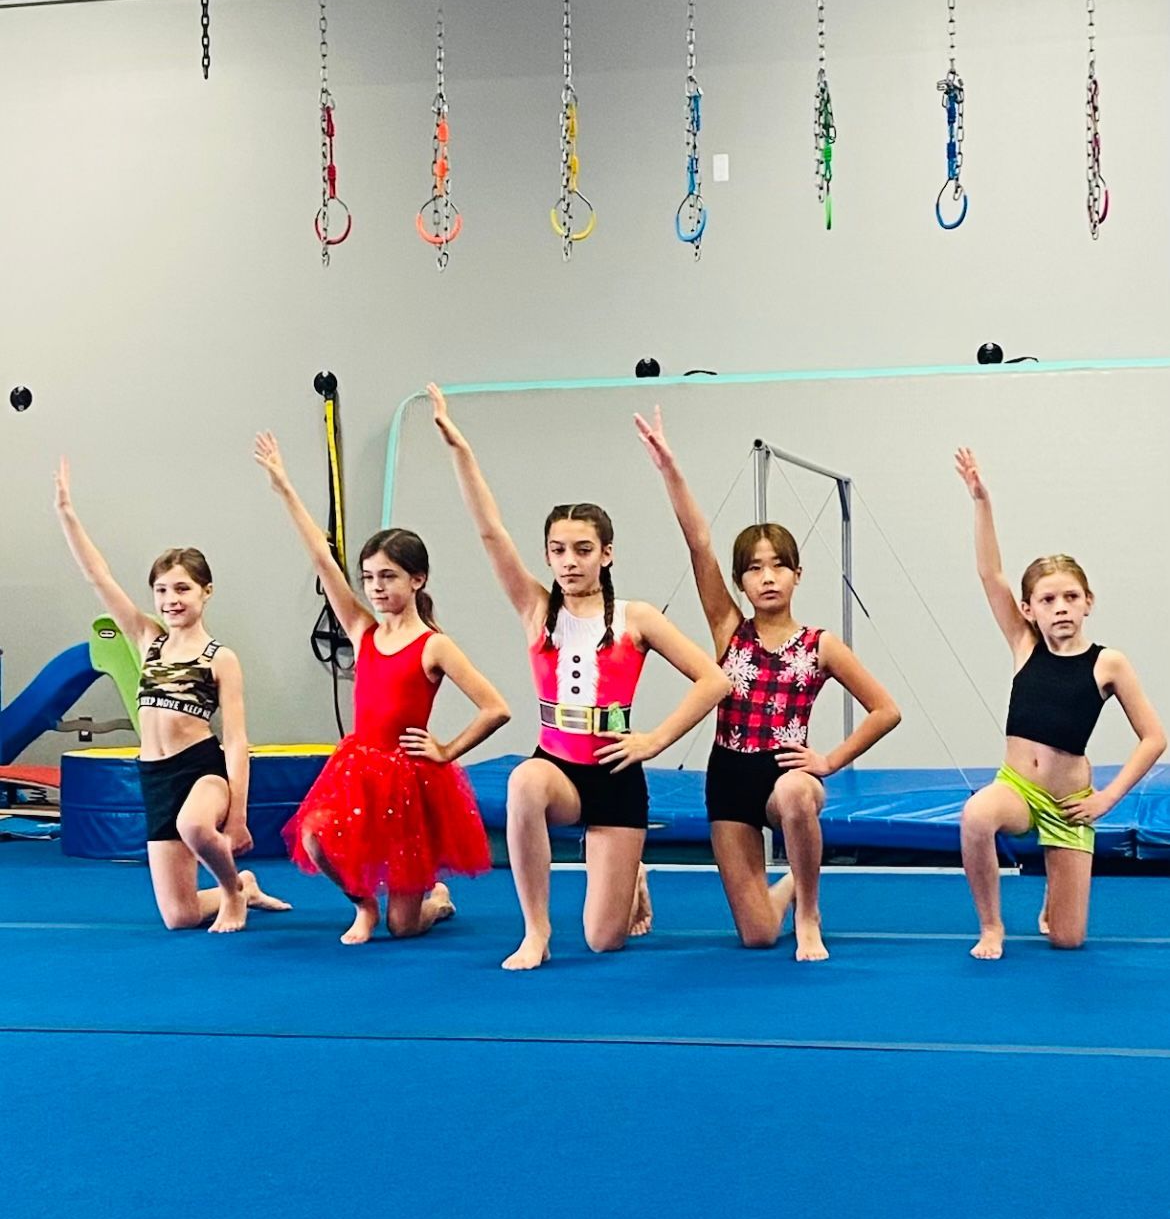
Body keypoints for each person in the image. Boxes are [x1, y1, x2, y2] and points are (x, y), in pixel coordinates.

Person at [429, 384, 731, 970]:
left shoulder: (636, 618)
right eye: (559, 550)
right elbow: (491, 533)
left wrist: (653, 741)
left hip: (617, 774)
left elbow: (714, 680)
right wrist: (461, 451)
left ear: (606, 554)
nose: (569, 561)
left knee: (603, 940)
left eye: (583, 550)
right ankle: (536, 930)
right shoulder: (537, 611)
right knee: (523, 784)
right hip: (559, 766)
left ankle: (632, 877)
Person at [636, 407, 901, 961]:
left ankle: (808, 912)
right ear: (741, 582)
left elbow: (885, 709)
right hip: (729, 773)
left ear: (797, 575)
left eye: (779, 566)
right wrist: (670, 470)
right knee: (757, 936)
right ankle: (784, 892)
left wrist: (829, 760)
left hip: (786, 771)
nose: (768, 576)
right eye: (755, 569)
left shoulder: (821, 645)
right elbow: (698, 546)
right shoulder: (728, 629)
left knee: (799, 796)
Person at [255, 432, 509, 944]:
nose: (376, 587)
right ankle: (363, 905)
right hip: (358, 766)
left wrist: (446, 750)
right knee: (314, 836)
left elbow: (495, 707)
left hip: (408, 776)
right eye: (369, 577)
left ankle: (433, 901)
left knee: (406, 927)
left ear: (417, 580)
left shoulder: (434, 646)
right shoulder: (363, 630)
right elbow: (324, 563)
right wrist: (284, 487)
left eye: (388, 577)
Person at [53, 458, 289, 932]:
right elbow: (100, 578)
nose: (170, 599)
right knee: (179, 916)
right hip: (155, 776)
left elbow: (237, 739)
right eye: (161, 590)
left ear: (206, 592)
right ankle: (241, 884)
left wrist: (238, 814)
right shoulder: (148, 639)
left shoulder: (220, 657)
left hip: (200, 769)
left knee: (196, 826)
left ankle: (230, 897)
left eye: (182, 588)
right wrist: (67, 515)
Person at [954, 446, 1165, 958]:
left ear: (1088, 601)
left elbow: (1155, 737)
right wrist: (982, 501)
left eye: (1071, 597)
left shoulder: (1107, 662)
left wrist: (1106, 799)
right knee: (976, 817)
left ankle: (1053, 895)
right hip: (1018, 790)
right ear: (1029, 609)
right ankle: (992, 927)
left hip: (1071, 806)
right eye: (1047, 600)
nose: (1061, 607)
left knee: (1068, 941)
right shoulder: (1024, 645)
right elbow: (990, 575)